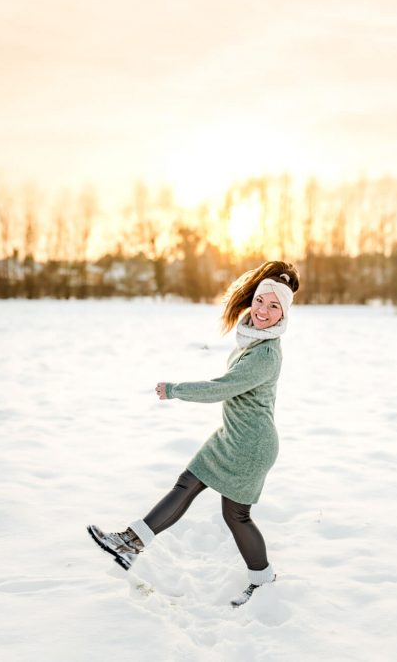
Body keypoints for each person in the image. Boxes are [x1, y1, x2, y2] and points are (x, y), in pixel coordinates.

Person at [88, 260, 300, 608]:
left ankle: (264, 582)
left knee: (236, 515)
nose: (263, 310)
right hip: (232, 435)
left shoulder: (265, 354)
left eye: (274, 306)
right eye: (261, 300)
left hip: (251, 445)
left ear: (283, 315)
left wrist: (174, 389)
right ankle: (128, 544)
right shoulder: (254, 337)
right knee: (187, 484)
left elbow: (222, 389)